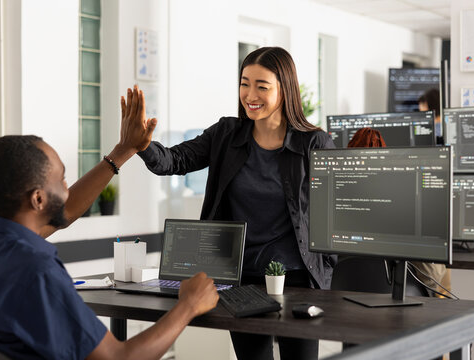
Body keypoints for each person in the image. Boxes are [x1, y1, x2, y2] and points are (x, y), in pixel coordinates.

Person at [0, 86, 219, 360]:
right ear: (38, 199)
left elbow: (67, 210)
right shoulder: (37, 273)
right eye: (62, 180)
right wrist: (188, 305)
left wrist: (123, 150)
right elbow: (118, 358)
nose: (67, 188)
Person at [137, 46, 336, 360]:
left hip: (298, 280)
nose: (250, 94)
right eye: (245, 83)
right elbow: (174, 160)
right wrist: (143, 144)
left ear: (285, 90)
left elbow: (334, 214)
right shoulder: (226, 134)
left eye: (261, 86)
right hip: (240, 277)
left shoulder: (313, 142)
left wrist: (327, 267)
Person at [347, 127, 451, 298]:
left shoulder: (329, 203)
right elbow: (431, 276)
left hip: (341, 297)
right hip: (401, 301)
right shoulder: (406, 205)